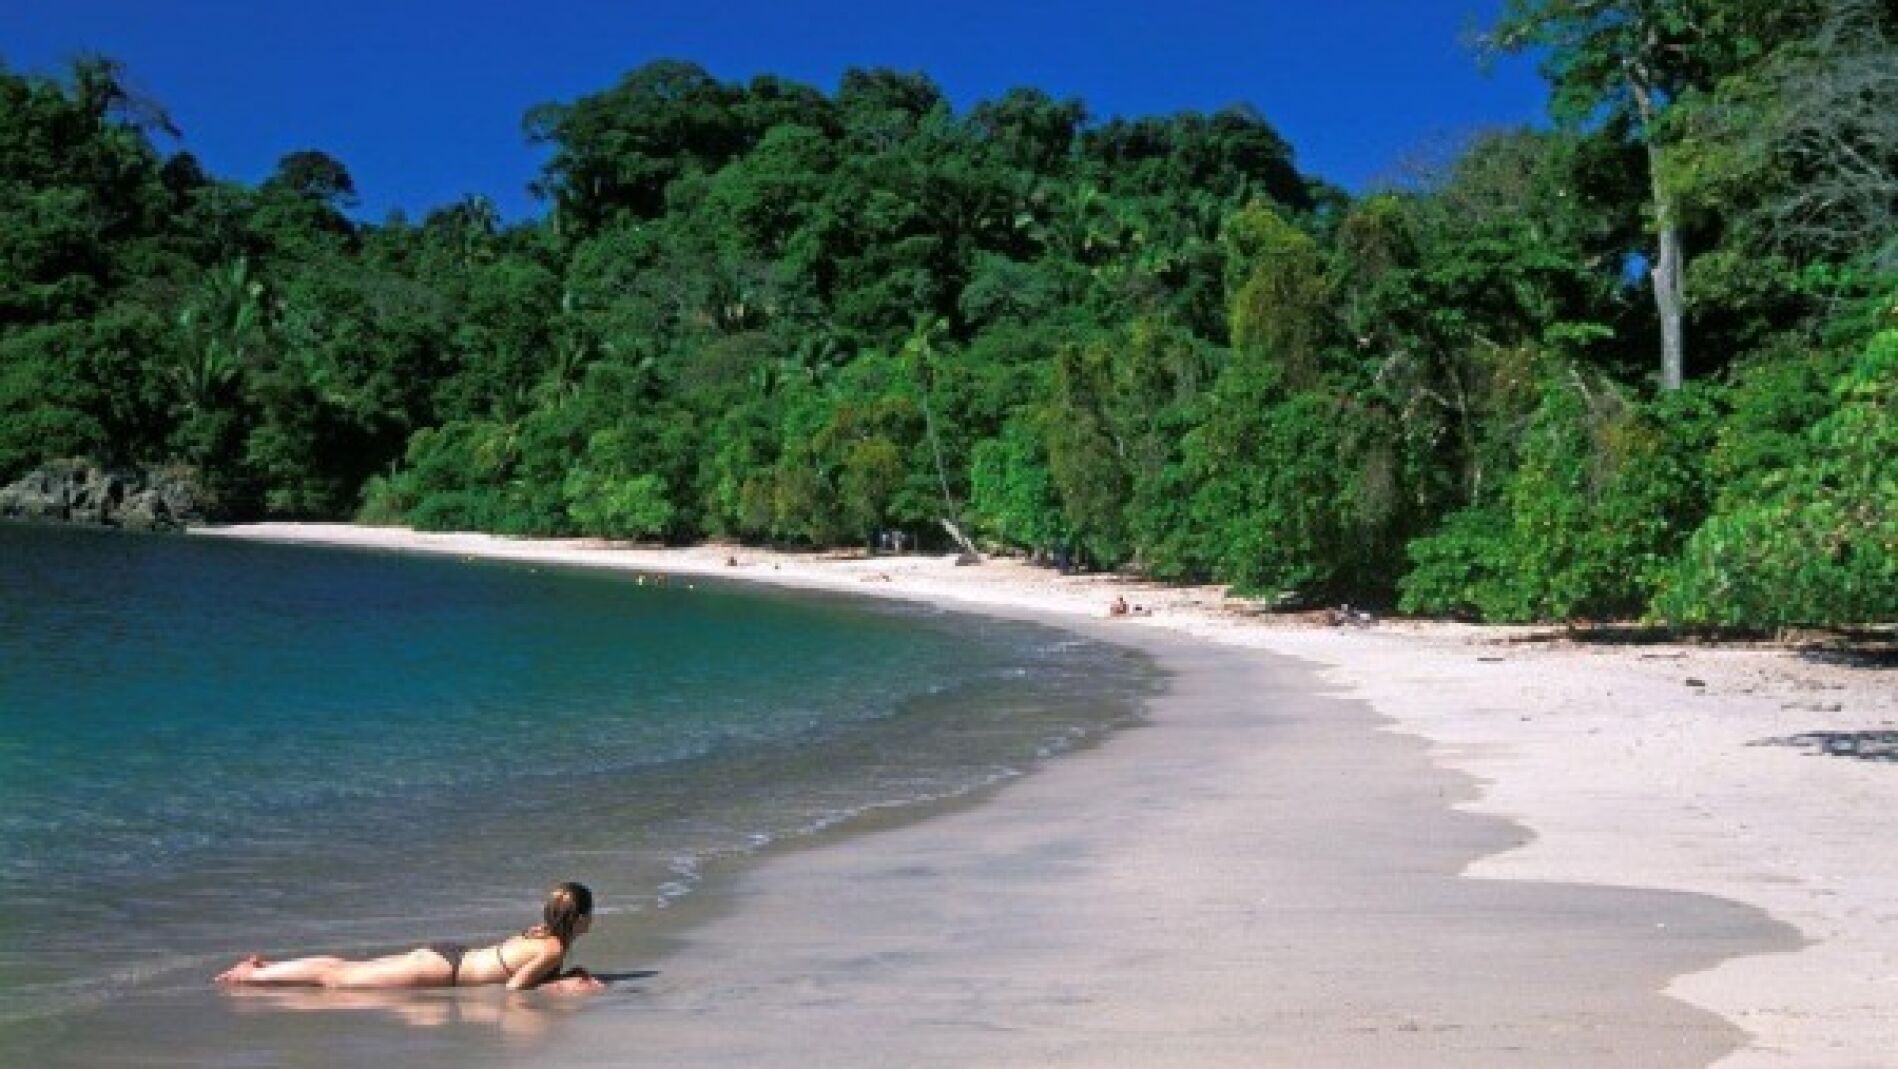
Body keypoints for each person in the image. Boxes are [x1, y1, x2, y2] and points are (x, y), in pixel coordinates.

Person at [214, 881, 603, 993]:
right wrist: (563, 983)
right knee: (338, 978)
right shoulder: (553, 947)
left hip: (445, 956)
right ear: (581, 917)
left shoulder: (541, 934)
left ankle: (267, 969)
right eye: (591, 915)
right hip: (441, 972)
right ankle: (253, 976)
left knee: (347, 969)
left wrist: (561, 977)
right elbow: (516, 987)